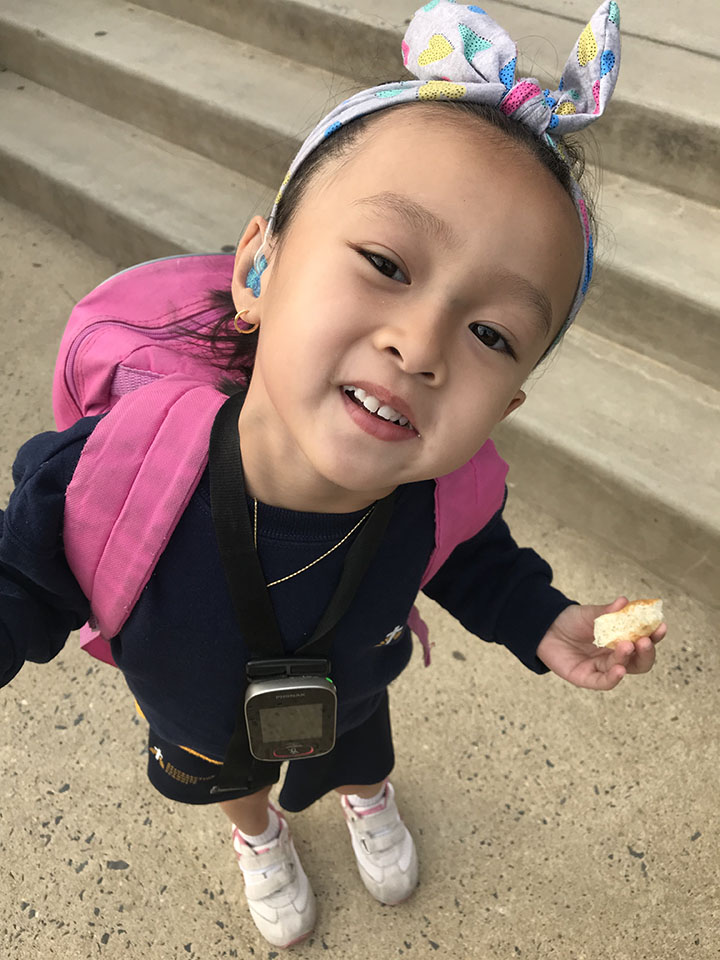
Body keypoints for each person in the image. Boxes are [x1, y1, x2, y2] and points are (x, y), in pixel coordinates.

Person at [0, 0, 665, 950]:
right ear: (259, 269)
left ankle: (365, 798)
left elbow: (473, 560)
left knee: (359, 748)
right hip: (192, 710)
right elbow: (18, 579)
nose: (421, 343)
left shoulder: (440, 492)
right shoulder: (115, 468)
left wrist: (545, 622)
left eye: (491, 335)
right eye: (386, 261)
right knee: (226, 775)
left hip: (350, 693)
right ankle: (261, 835)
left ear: (505, 409)